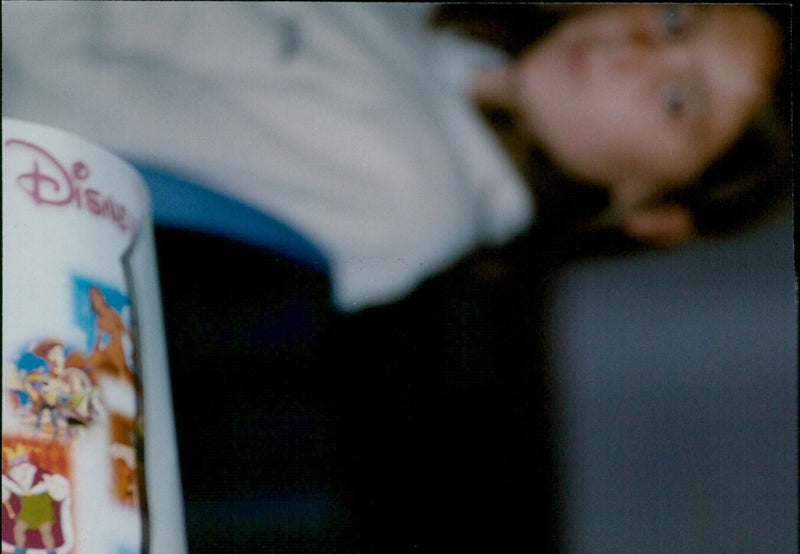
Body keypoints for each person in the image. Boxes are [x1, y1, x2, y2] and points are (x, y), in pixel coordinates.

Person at [1, 3, 790, 310]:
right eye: (680, 20)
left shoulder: (406, 186)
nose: (642, 52)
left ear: (651, 213)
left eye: (678, 100)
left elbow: (52, 108)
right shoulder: (427, 45)